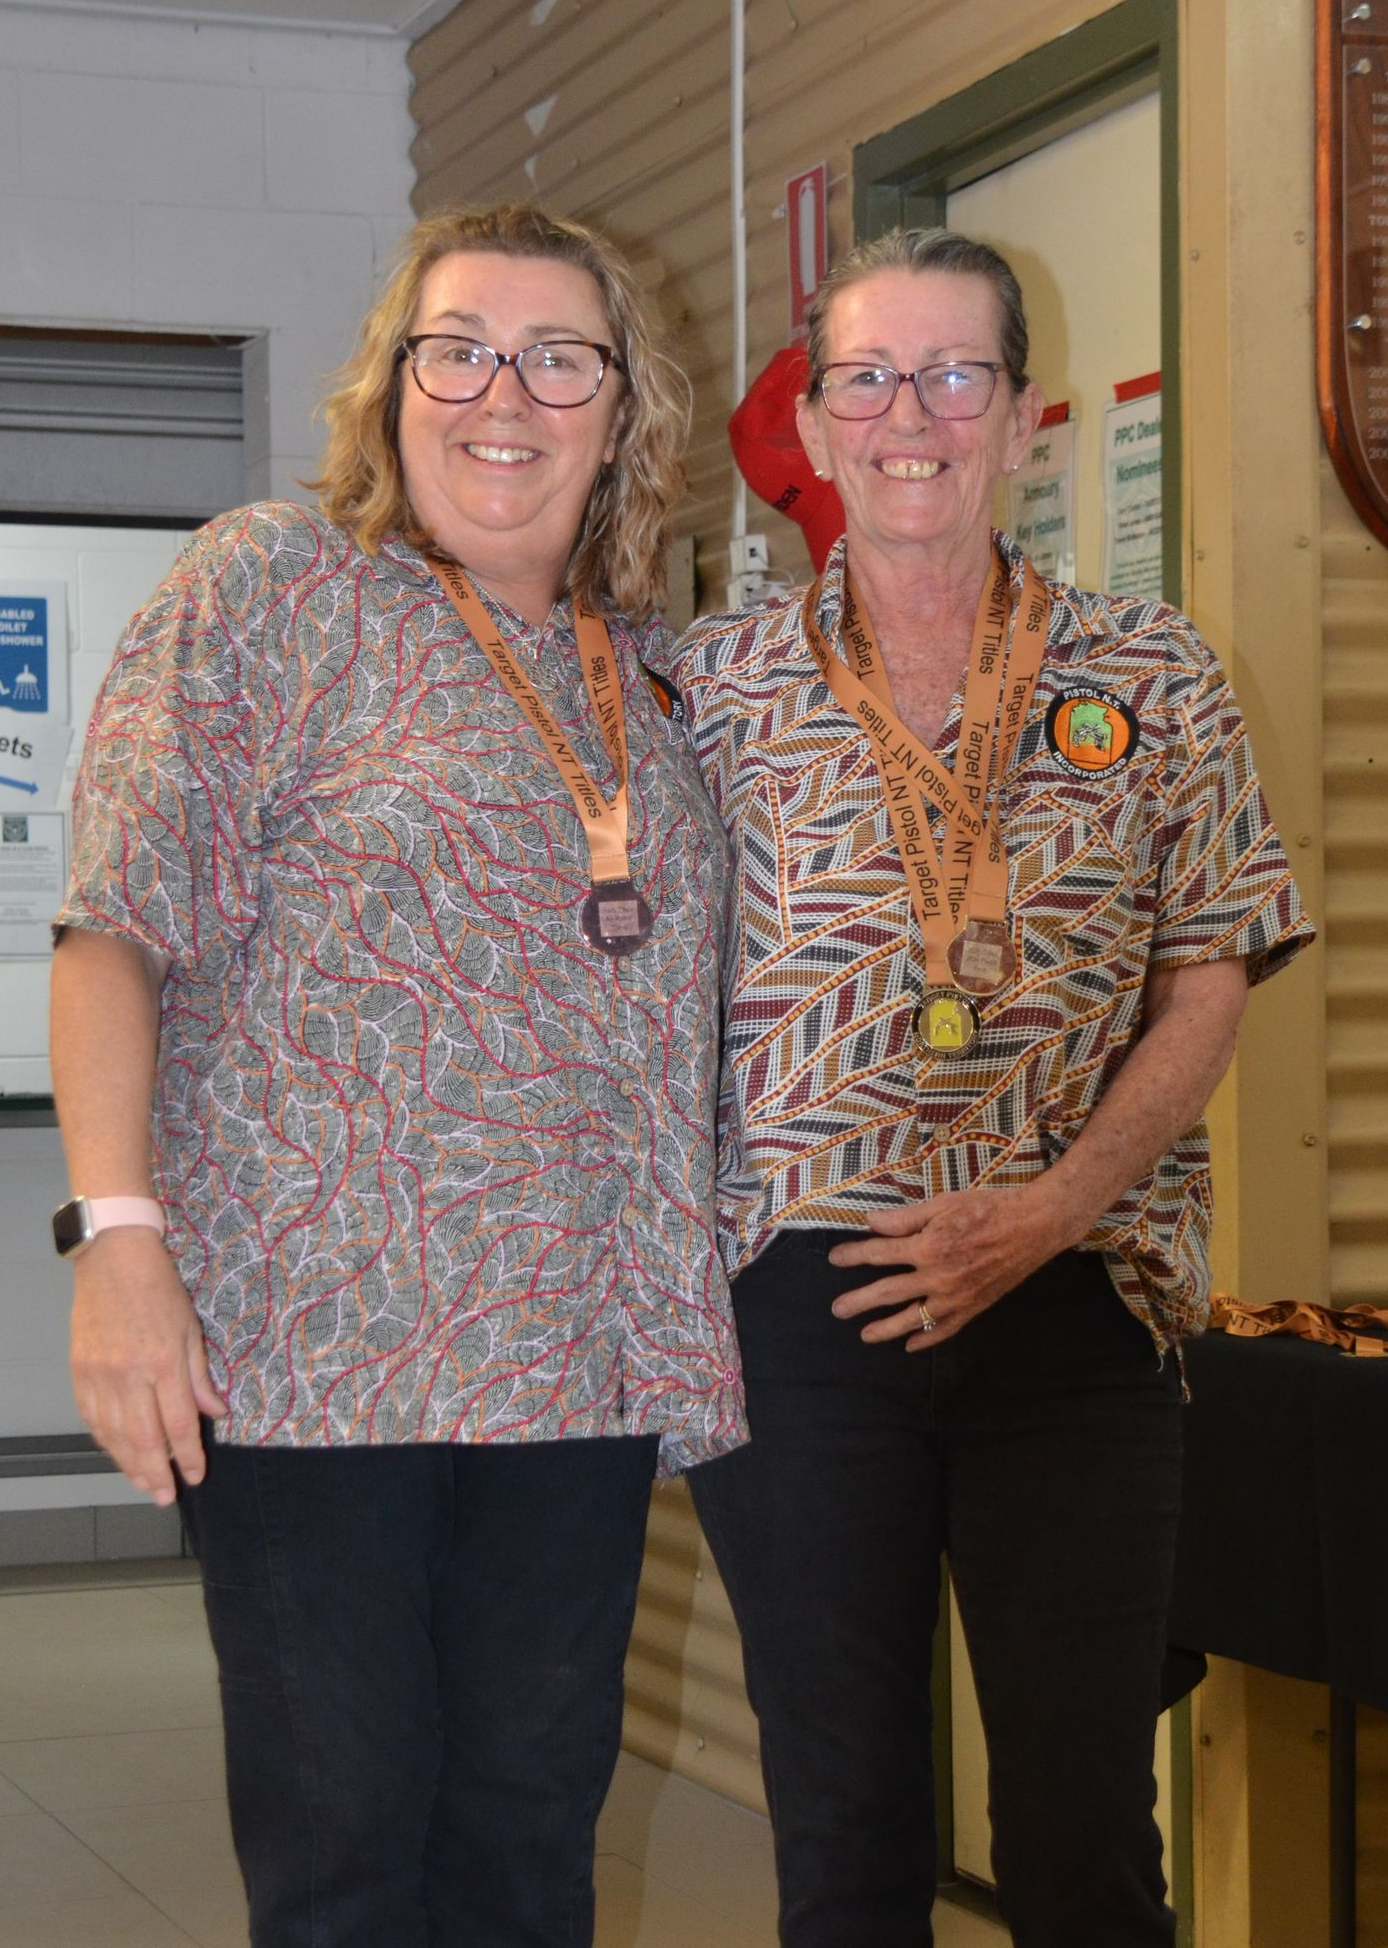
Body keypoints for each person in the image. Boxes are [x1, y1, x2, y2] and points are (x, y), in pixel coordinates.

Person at [50, 201, 744, 1948]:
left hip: (569, 1358)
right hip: (310, 1357)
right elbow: (113, 929)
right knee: (347, 1843)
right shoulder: (269, 587)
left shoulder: (653, 668)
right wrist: (119, 1239)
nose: (504, 392)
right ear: (393, 383)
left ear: (620, 408)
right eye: (460, 347)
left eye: (558, 356)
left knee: (528, 1836)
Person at [669, 227, 1314, 1947]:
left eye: (954, 375)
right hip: (805, 1315)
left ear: (1025, 418)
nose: (910, 416)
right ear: (811, 422)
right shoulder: (709, 693)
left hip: (1077, 1299)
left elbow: (1212, 970)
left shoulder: (1152, 672)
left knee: (1086, 1825)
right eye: (867, 377)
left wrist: (1052, 1208)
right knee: (848, 1819)